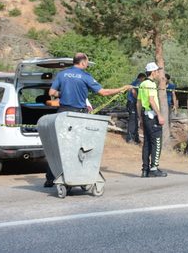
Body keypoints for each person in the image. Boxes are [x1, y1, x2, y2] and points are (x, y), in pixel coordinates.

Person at [44, 52, 131, 187]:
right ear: (83, 62)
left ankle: (50, 178)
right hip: (78, 116)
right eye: (87, 62)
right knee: (80, 146)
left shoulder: (62, 74)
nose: (87, 65)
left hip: (62, 114)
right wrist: (122, 88)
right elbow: (103, 92)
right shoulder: (85, 76)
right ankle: (78, 176)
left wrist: (64, 93)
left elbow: (51, 93)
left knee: (59, 146)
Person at [139, 62, 167, 177]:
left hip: (145, 115)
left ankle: (145, 170)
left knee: (147, 143)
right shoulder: (150, 84)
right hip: (152, 115)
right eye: (157, 71)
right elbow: (151, 100)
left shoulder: (142, 84)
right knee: (156, 142)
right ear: (153, 72)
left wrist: (140, 118)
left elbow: (139, 102)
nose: (158, 73)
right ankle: (154, 168)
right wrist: (159, 114)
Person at [126, 72, 146, 145]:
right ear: (141, 78)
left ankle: (136, 138)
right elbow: (133, 92)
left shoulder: (136, 82)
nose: (144, 80)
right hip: (132, 103)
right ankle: (130, 138)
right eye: (144, 79)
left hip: (134, 103)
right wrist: (139, 99)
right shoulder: (137, 83)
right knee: (133, 121)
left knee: (136, 120)